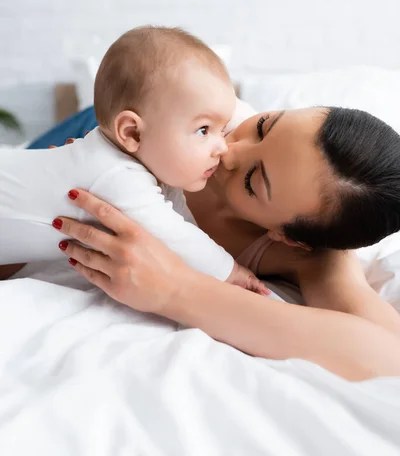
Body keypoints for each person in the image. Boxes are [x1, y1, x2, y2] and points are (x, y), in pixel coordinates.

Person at [0, 26, 267, 293]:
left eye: (222, 130)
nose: (222, 146)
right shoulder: (116, 174)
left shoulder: (147, 167)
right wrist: (231, 273)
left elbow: (181, 221)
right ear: (132, 132)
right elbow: (176, 236)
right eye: (203, 130)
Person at [51, 188, 400, 381]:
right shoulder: (228, 118)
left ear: (288, 237)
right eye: (265, 125)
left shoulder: (320, 261)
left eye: (251, 180)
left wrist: (176, 289)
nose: (227, 149)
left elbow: (390, 358)